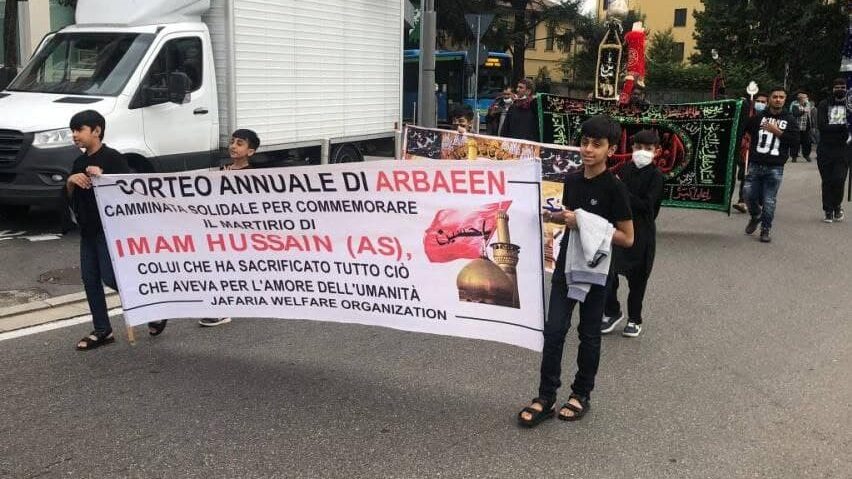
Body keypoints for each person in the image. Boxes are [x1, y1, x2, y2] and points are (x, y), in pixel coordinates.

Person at [518, 115, 634, 427]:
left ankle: (581, 394)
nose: (588, 149)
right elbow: (571, 220)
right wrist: (555, 217)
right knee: (554, 330)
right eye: (584, 142)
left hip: (597, 270)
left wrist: (583, 222)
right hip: (567, 265)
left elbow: (627, 237)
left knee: (589, 334)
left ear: (611, 150)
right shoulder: (571, 180)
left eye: (597, 144)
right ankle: (545, 397)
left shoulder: (615, 188)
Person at [68, 110, 167, 350]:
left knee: (111, 277)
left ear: (96, 131)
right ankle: (102, 329)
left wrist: (103, 177)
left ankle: (152, 308)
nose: (75, 135)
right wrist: (71, 181)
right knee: (90, 279)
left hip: (109, 229)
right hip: (87, 229)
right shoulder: (78, 162)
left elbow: (127, 191)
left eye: (79, 130)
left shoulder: (113, 158)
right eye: (73, 131)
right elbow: (71, 197)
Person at [601, 130, 664, 338]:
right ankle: (612, 311)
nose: (642, 152)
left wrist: (622, 192)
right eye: (638, 147)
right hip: (618, 229)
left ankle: (635, 319)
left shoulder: (656, 176)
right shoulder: (624, 169)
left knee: (637, 280)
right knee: (609, 273)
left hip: (641, 233)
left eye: (648, 149)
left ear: (656, 151)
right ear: (632, 148)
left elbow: (647, 205)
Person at [199, 128, 261, 326]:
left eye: (240, 143)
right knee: (219, 268)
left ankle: (221, 310)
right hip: (221, 230)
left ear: (250, 151)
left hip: (240, 232)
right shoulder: (222, 170)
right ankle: (219, 308)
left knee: (227, 269)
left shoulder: (253, 175)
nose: (233, 146)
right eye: (232, 142)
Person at [743, 86, 799, 243]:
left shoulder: (790, 120)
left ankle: (765, 229)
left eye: (781, 97)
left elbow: (795, 142)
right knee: (748, 194)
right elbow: (743, 128)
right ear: (769, 99)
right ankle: (756, 215)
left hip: (775, 167)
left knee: (769, 200)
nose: (778, 100)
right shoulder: (758, 118)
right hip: (755, 164)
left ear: (785, 100)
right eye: (775, 97)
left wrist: (777, 131)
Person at [815, 78, 850, 223]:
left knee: (839, 179)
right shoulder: (824, 104)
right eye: (837, 87)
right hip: (825, 148)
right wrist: (843, 127)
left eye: (843, 87)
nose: (840, 89)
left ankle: (837, 206)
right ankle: (828, 210)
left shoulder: (850, 105)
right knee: (827, 180)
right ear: (832, 89)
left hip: (844, 149)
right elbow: (822, 125)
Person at [733, 92, 769, 213]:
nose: (760, 104)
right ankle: (742, 201)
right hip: (748, 150)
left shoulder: (770, 117)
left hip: (765, 153)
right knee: (746, 175)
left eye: (763, 102)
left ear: (767, 104)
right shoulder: (748, 114)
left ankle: (760, 200)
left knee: (762, 178)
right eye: (758, 101)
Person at [790, 91, 814, 162]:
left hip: (806, 128)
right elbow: (796, 114)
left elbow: (810, 116)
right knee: (795, 142)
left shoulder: (808, 105)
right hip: (797, 128)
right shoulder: (795, 106)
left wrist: (812, 125)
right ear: (801, 99)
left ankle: (806, 155)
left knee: (807, 143)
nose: (807, 99)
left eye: (807, 97)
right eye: (805, 97)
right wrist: (804, 111)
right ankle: (794, 156)